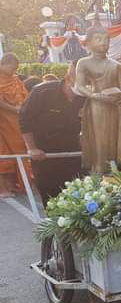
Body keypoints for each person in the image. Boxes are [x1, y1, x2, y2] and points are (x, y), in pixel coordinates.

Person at [19, 61, 85, 204]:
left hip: (73, 154)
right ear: (68, 76)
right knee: (51, 198)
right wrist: (32, 148)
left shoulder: (85, 96)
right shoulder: (42, 91)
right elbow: (25, 119)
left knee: (79, 198)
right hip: (44, 155)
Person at [74, 25, 121, 173]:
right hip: (97, 107)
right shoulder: (83, 63)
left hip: (114, 106)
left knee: (114, 141)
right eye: (98, 39)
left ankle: (116, 173)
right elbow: (79, 86)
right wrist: (94, 95)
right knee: (100, 143)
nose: (103, 43)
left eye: (106, 39)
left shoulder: (116, 65)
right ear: (88, 42)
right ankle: (99, 171)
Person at [0, 53, 31, 197]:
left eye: (15, 69)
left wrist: (22, 108)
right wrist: (14, 109)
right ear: (3, 64)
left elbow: (25, 97)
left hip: (16, 123)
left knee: (18, 151)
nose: (14, 72)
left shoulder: (16, 79)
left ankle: (15, 184)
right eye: (12, 68)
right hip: (3, 123)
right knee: (4, 154)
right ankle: (3, 189)